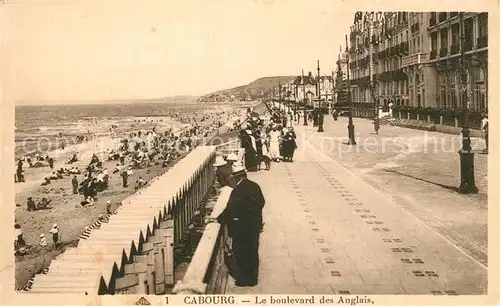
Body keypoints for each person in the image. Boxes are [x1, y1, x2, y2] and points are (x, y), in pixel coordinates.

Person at [216, 166, 265, 287]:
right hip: (254, 226)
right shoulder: (254, 185)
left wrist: (219, 219)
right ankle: (253, 278)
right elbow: (262, 202)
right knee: (253, 252)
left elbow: (231, 209)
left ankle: (245, 279)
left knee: (241, 253)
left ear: (236, 177)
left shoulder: (238, 190)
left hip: (242, 228)